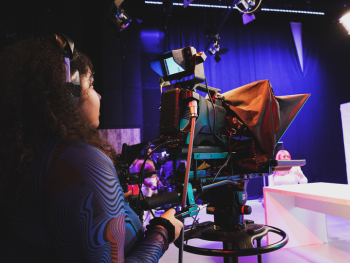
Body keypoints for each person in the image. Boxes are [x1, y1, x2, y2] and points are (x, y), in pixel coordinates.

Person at [0, 35, 182, 263]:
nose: (99, 95)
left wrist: (116, 203)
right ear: (69, 94)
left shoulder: (28, 154)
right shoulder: (80, 160)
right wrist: (163, 231)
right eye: (91, 85)